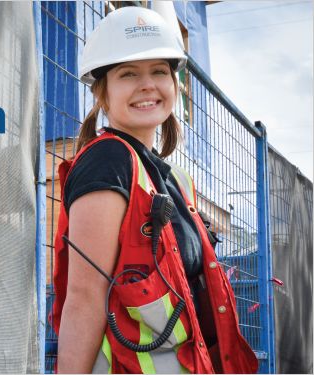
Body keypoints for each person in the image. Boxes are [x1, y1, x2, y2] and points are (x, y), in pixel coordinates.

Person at [49, 6, 258, 374]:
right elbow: (84, 298)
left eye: (159, 71)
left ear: (174, 84)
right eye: (128, 74)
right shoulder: (108, 161)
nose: (147, 84)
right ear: (103, 92)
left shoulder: (176, 180)